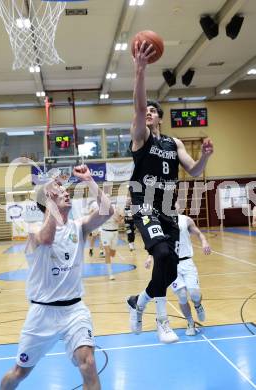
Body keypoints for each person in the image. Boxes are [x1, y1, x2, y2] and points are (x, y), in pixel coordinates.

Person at [126, 40, 214, 343]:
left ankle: (138, 302)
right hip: (144, 205)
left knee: (170, 269)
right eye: (146, 111)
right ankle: (161, 321)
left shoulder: (174, 143)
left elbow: (194, 170)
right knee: (162, 253)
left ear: (160, 117)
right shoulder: (141, 137)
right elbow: (138, 106)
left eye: (153, 111)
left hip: (168, 210)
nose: (148, 113)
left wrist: (205, 156)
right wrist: (140, 71)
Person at [0, 165, 113, 390]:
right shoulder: (33, 230)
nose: (65, 191)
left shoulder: (78, 227)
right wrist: (50, 203)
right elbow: (47, 238)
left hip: (74, 310)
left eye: (64, 188)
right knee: (19, 372)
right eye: (58, 189)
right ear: (47, 200)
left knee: (88, 363)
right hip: (42, 313)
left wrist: (90, 180)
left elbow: (108, 211)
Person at [145, 204, 211, 336]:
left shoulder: (185, 220)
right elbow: (157, 244)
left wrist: (204, 242)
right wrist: (150, 257)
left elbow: (198, 233)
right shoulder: (160, 224)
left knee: (194, 293)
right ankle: (190, 322)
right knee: (181, 296)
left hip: (187, 262)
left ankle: (198, 305)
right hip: (171, 264)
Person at [99, 196, 124, 280]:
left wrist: (119, 217)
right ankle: (110, 273)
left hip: (115, 233)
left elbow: (120, 221)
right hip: (105, 232)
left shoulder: (116, 209)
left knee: (112, 254)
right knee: (107, 252)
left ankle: (108, 262)